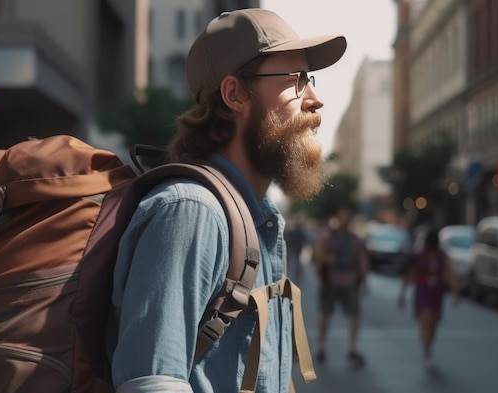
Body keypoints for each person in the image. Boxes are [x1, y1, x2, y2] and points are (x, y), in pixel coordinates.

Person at [107, 8, 347, 393]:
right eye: (296, 81)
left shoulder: (256, 219)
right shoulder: (191, 212)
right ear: (235, 94)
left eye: (310, 79)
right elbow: (151, 384)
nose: (315, 100)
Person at [312, 206, 370, 367]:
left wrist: (365, 282)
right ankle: (322, 347)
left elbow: (361, 260)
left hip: (350, 280)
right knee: (325, 314)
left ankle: (352, 349)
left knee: (354, 315)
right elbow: (317, 253)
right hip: (330, 281)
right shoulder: (327, 236)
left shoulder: (355, 239)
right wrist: (329, 258)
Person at [398, 228, 460, 370]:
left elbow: (448, 274)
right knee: (426, 320)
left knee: (434, 323)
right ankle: (427, 352)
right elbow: (410, 274)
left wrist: (456, 292)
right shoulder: (420, 256)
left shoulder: (442, 257)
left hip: (436, 292)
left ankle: (429, 346)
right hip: (423, 291)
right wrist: (402, 294)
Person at [285, 214, 307, 281]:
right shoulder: (285, 230)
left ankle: (293, 281)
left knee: (293, 267)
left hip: (295, 251)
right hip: (288, 251)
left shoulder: (297, 231)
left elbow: (302, 240)